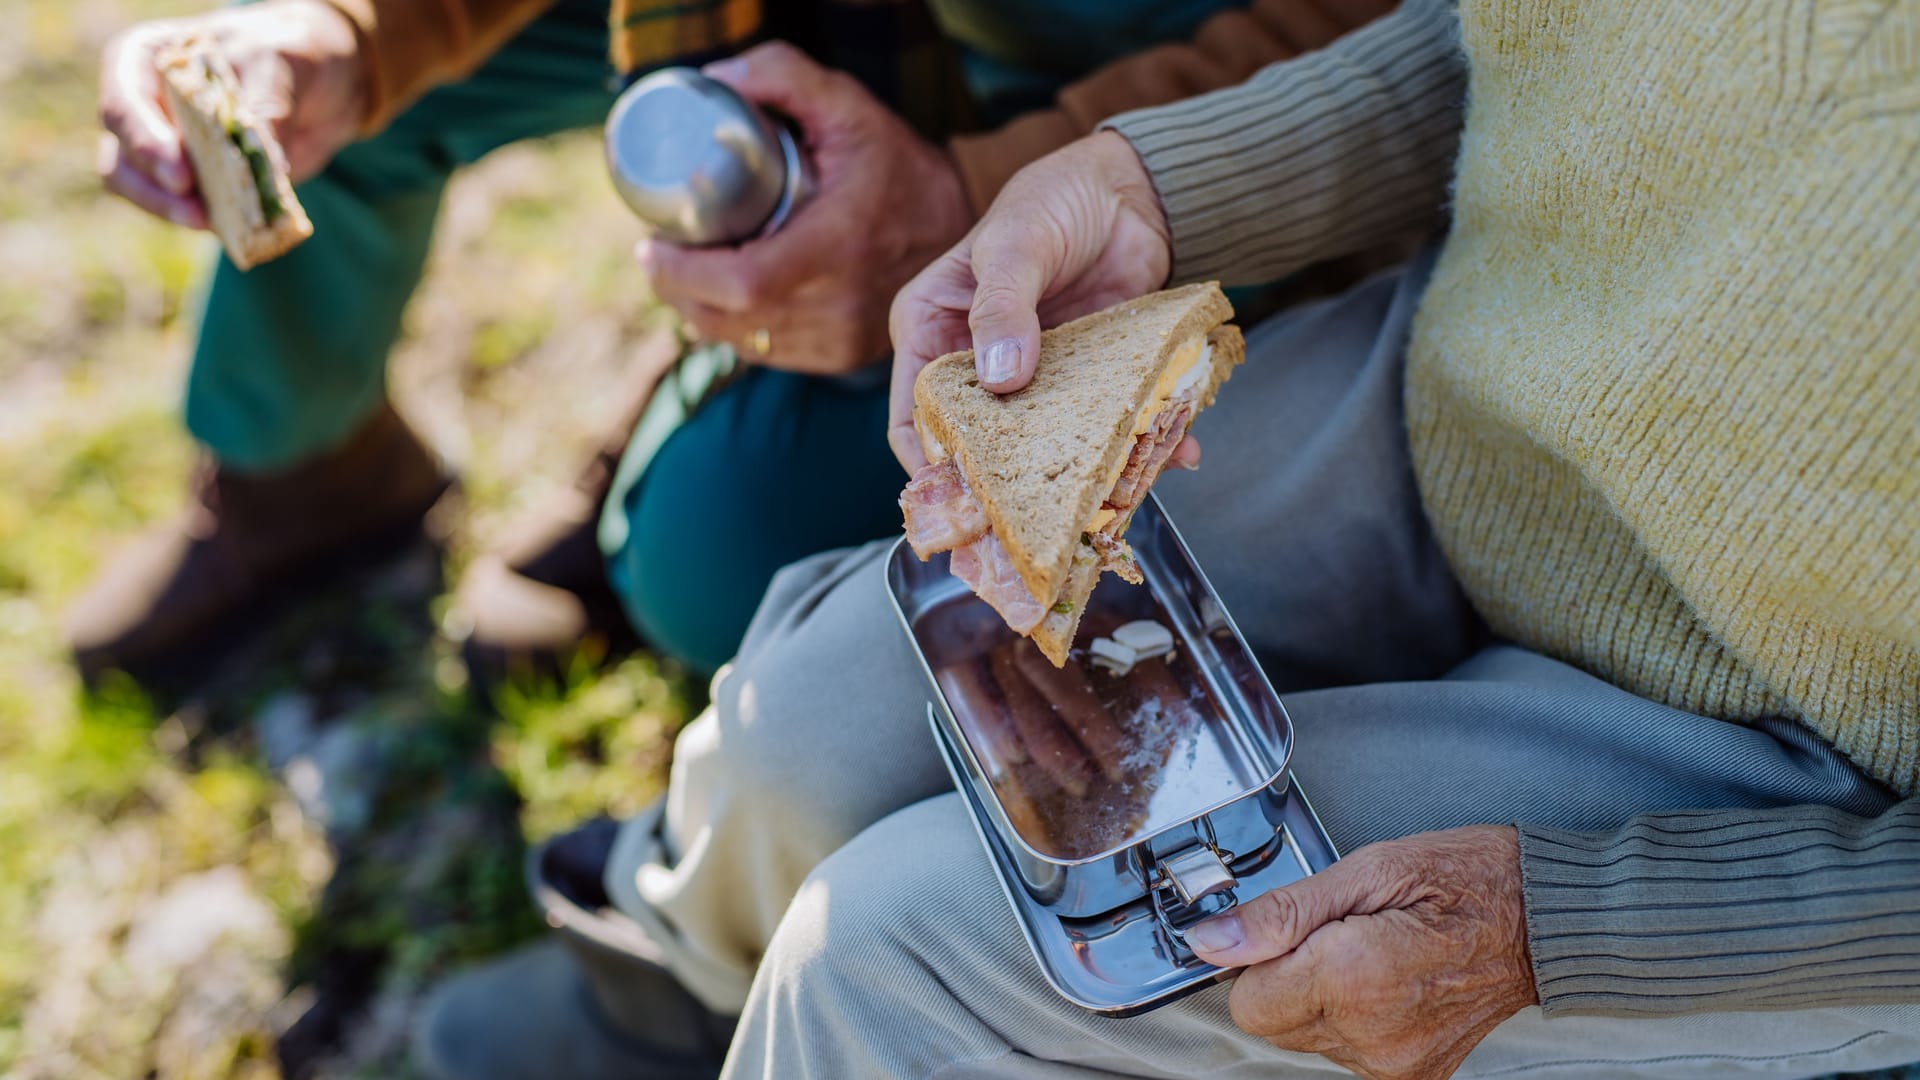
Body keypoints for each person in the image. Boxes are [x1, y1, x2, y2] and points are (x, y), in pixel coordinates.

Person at [417, 0, 1920, 1076]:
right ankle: (678, 997)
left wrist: (1571, 934)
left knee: (895, 956)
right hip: (1466, 386)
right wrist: (1150, 188)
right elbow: (1524, 41)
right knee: (820, 710)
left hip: (1792, 756)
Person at [77, 0, 1397, 683]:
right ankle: (300, 471)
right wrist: (348, 36)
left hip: (1197, 109)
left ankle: (693, 411)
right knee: (340, 102)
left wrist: (971, 189)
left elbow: (1419, 35)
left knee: (707, 557)